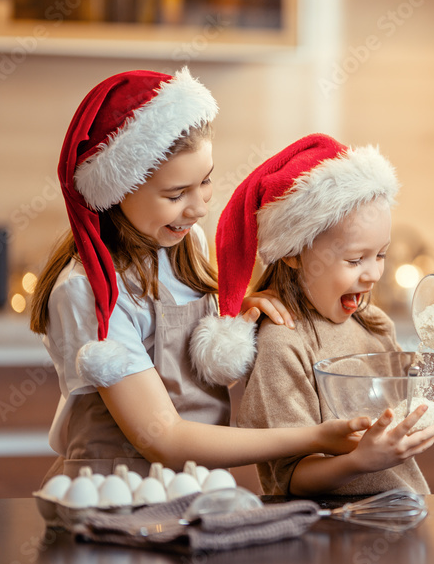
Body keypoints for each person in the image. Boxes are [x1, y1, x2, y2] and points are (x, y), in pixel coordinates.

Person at [31, 69, 368, 479]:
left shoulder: (184, 245)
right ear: (115, 193)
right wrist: (314, 438)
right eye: (175, 195)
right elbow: (164, 438)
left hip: (190, 489)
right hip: (114, 495)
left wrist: (238, 318)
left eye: (205, 181)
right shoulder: (85, 291)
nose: (199, 208)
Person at [218, 134, 434, 496]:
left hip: (400, 520)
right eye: (354, 260)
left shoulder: (372, 323)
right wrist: (359, 461)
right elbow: (288, 479)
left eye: (380, 255)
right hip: (329, 539)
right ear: (293, 251)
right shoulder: (283, 344)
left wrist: (433, 416)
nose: (373, 274)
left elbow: (404, 407)